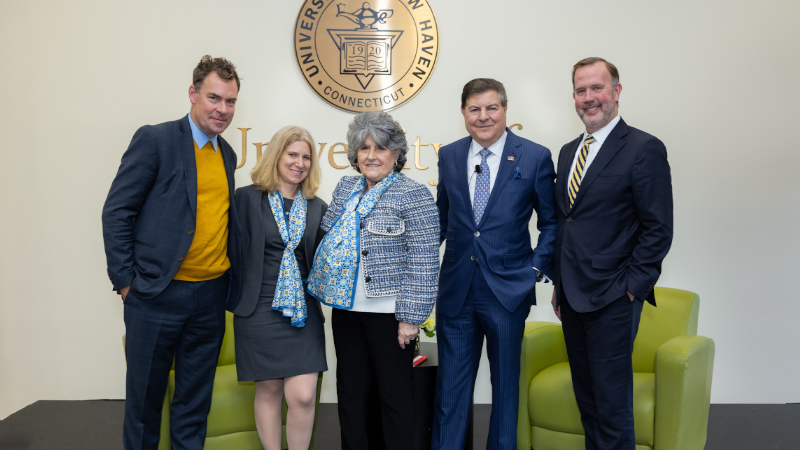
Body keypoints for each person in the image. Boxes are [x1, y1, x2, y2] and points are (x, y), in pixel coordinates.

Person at [102, 56, 241, 450]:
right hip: (156, 295)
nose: (222, 109)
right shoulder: (156, 139)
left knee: (194, 405)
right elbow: (117, 212)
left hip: (210, 299)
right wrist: (127, 283)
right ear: (193, 93)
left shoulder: (227, 154)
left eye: (230, 102)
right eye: (214, 98)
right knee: (145, 405)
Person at [551, 57, 673, 450]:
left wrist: (633, 288)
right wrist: (559, 283)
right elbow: (567, 222)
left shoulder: (643, 148)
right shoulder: (569, 151)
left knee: (612, 406)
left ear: (616, 91)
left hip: (614, 297)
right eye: (581, 90)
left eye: (597, 88)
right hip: (571, 296)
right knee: (587, 401)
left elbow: (658, 228)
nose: (589, 98)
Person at [433, 78, 557, 450]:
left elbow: (551, 222)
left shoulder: (534, 156)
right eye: (474, 109)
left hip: (507, 290)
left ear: (505, 110)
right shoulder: (451, 155)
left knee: (505, 391)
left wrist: (533, 271)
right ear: (463, 113)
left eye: (491, 108)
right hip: (456, 289)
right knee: (450, 393)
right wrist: (416, 265)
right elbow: (443, 219)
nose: (483, 116)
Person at [306, 111, 439, 450]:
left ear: (396, 154)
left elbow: (423, 262)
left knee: (394, 397)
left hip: (390, 317)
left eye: (380, 148)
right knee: (350, 393)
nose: (371, 155)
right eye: (364, 148)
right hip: (347, 311)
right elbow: (327, 238)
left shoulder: (414, 194)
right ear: (355, 154)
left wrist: (411, 319)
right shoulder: (347, 188)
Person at [230, 126, 327, 450]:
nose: (299, 162)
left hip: (303, 314)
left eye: (306, 157)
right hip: (258, 310)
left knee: (302, 396)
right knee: (268, 391)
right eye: (293, 154)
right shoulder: (246, 198)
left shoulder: (317, 207)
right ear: (277, 155)